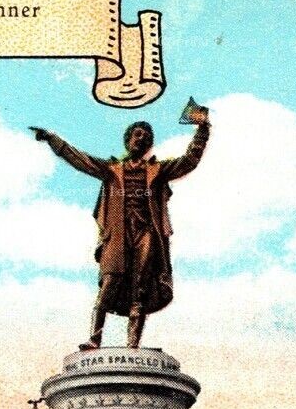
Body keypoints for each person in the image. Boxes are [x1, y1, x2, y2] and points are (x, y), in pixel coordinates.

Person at [30, 110, 211, 350]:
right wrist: (52, 139)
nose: (141, 139)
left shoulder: (158, 170)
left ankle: (132, 345)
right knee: (109, 284)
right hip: (117, 235)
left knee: (141, 289)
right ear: (128, 139)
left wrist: (202, 131)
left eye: (146, 137)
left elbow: (188, 161)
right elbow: (79, 159)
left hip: (146, 232)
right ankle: (95, 338)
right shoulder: (111, 168)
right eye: (137, 134)